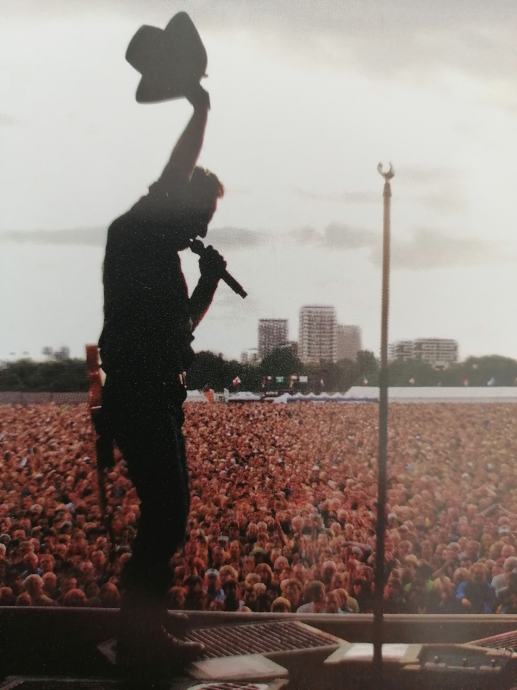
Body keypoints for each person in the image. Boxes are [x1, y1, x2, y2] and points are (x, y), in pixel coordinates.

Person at [99, 81, 226, 674]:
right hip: (140, 394)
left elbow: (181, 330)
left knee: (169, 512)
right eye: (201, 213)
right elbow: (176, 172)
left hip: (158, 394)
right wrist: (199, 109)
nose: (202, 225)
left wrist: (207, 282)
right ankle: (140, 634)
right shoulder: (139, 231)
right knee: (167, 513)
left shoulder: (163, 256)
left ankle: (146, 619)